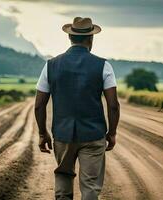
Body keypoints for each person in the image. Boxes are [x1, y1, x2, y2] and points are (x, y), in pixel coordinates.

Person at [34, 17, 120, 200]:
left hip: (63, 134)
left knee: (63, 180)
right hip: (93, 134)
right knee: (90, 187)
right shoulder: (104, 66)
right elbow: (113, 105)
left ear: (69, 38)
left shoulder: (50, 65)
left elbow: (39, 105)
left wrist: (42, 133)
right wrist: (111, 133)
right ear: (91, 39)